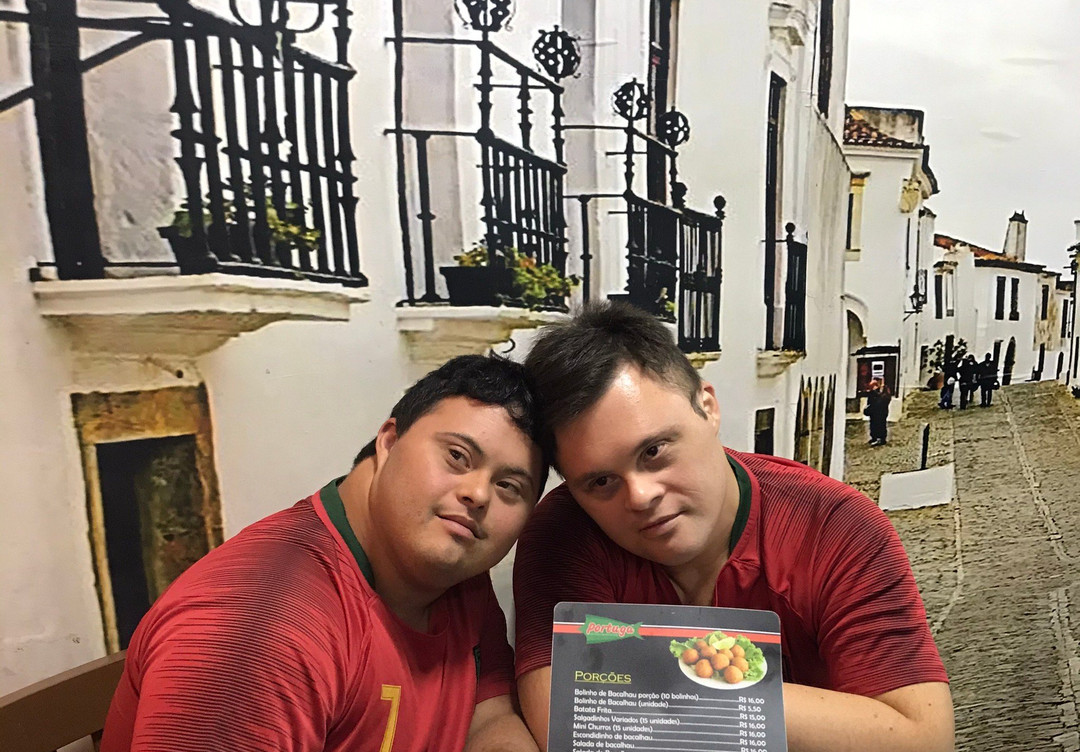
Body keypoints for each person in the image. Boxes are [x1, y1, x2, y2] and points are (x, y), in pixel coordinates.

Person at [513, 302, 953, 752]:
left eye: (654, 452)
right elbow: (565, 722)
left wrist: (647, 688)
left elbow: (922, 738)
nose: (640, 496)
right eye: (601, 482)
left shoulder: (836, 526)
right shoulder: (562, 536)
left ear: (707, 408)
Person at [102, 355, 546, 752]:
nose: (477, 494)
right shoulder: (259, 629)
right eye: (457, 456)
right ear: (389, 441)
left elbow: (490, 714)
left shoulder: (453, 571)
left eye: (509, 486)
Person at [865, 378, 892, 446]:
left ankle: (881, 438)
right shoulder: (873, 391)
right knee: (873, 424)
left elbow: (885, 399)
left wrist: (877, 394)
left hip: (881, 411)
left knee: (880, 424)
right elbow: (870, 401)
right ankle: (874, 437)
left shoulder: (885, 390)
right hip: (874, 411)